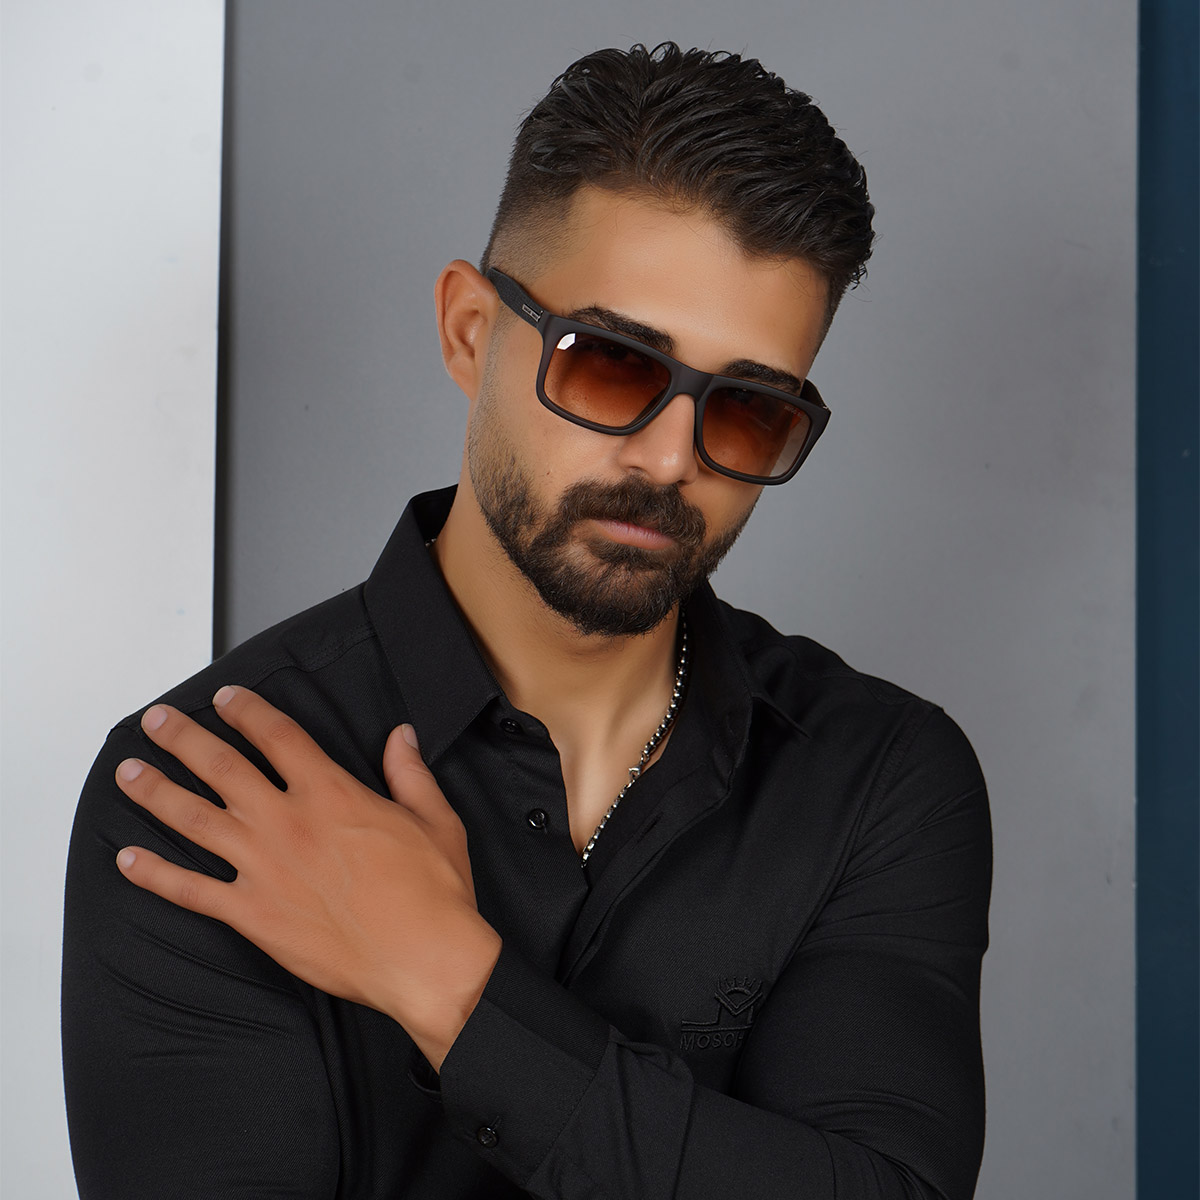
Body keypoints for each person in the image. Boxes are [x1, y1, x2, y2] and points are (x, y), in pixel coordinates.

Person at [62, 42, 991, 1200]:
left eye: (748, 411)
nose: (669, 460)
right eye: (613, 365)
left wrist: (452, 988)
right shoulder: (208, 792)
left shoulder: (879, 777)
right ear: (468, 331)